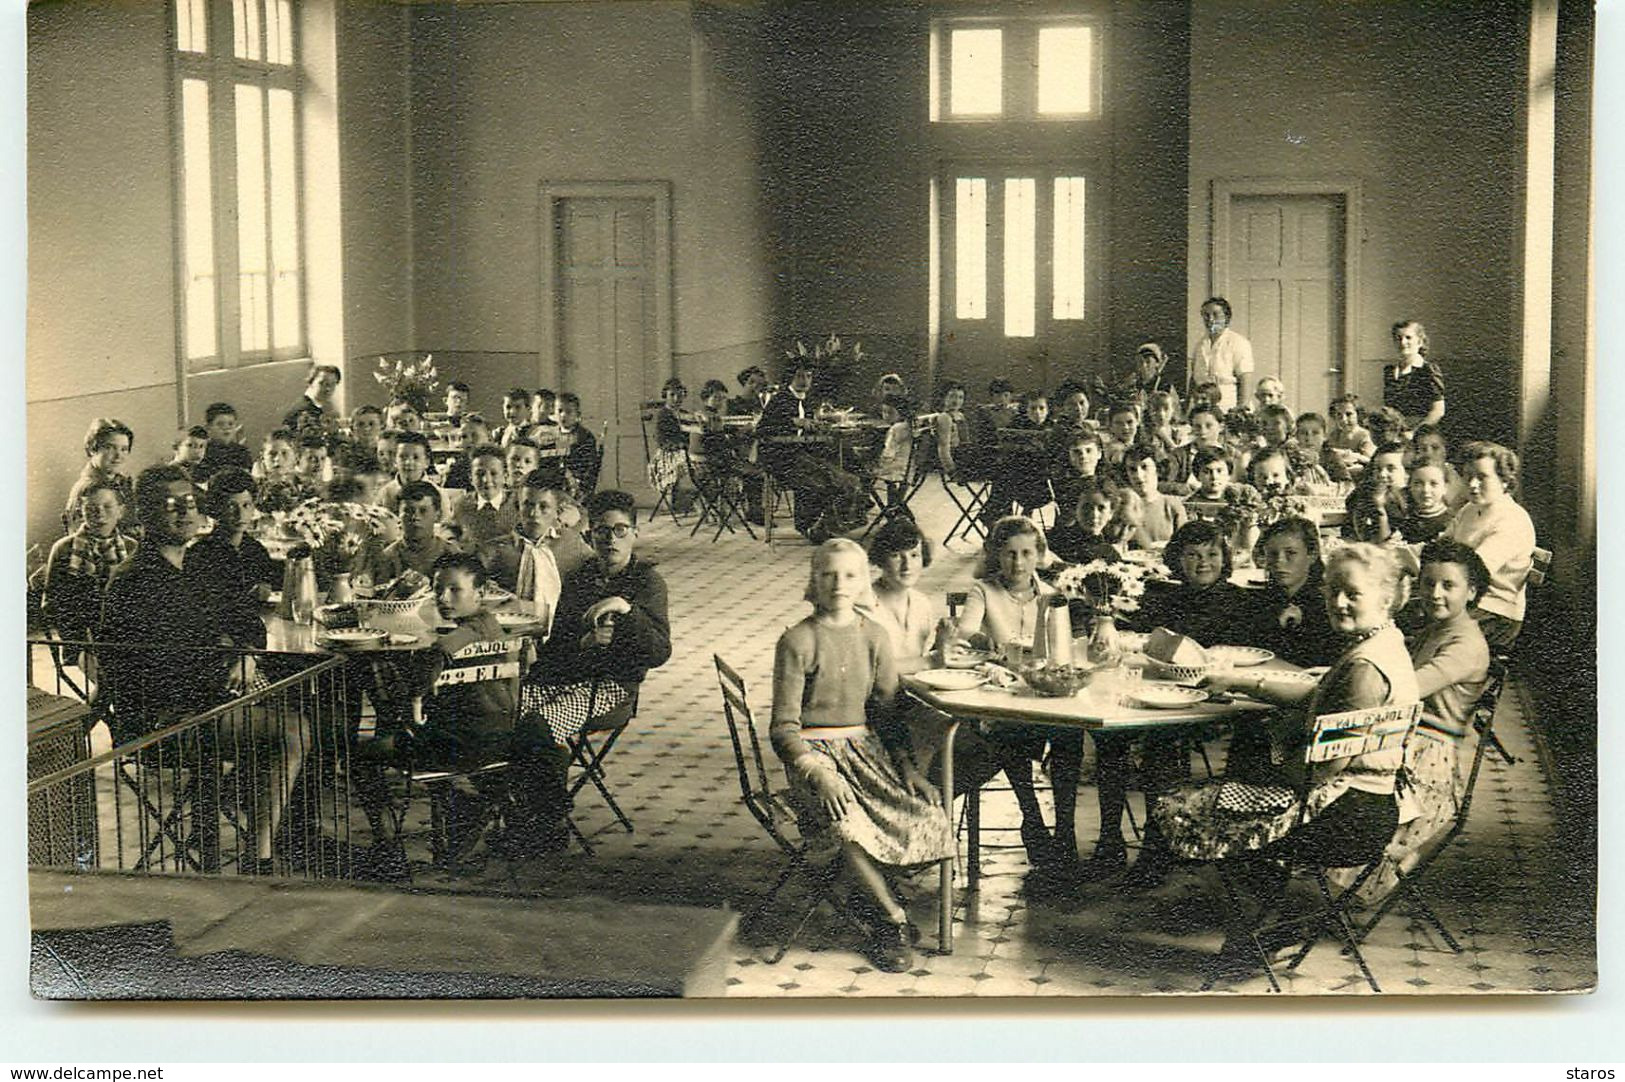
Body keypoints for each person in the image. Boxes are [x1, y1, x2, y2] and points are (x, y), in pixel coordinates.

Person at [1155, 543, 1421, 978]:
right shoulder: (1382, 644)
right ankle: (1265, 930)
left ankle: (1259, 935)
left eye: (1352, 593)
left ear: (1385, 598)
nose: (1338, 602)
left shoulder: (1366, 668)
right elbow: (1315, 695)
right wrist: (1243, 681)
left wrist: (1269, 767)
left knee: (1187, 807)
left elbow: (1326, 766)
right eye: (1333, 590)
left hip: (1344, 814)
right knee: (1232, 782)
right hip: (1366, 802)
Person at [99, 465, 308, 874]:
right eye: (171, 506)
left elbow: (246, 621)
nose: (184, 513)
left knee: (308, 710)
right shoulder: (132, 579)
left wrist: (245, 653)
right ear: (144, 515)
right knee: (292, 730)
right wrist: (218, 668)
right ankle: (260, 858)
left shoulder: (196, 567)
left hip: (206, 703)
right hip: (161, 719)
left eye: (190, 503)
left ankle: (276, 833)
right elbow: (141, 671)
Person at [772, 538, 952, 973]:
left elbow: (886, 713)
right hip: (815, 759)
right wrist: (816, 773)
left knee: (926, 814)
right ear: (814, 580)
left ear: (862, 582)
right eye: (828, 574)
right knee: (846, 825)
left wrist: (908, 768)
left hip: (865, 751)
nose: (839, 584)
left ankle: (870, 890)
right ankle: (891, 920)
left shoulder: (874, 636)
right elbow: (782, 728)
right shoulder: (798, 640)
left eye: (849, 575)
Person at [513, 490, 671, 854]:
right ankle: (523, 811)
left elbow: (660, 652)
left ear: (635, 534)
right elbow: (559, 644)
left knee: (539, 725)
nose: (611, 540)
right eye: (602, 531)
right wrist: (583, 643)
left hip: (612, 688)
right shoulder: (581, 576)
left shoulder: (647, 582)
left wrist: (627, 611)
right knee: (507, 711)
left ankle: (548, 822)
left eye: (620, 531)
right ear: (589, 536)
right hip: (568, 678)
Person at [949, 516, 1084, 882]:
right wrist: (980, 641)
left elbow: (1068, 644)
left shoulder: (1054, 593)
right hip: (1006, 694)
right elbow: (965, 634)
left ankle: (1066, 831)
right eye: (1009, 554)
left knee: (1070, 737)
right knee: (1011, 735)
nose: (1018, 563)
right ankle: (1032, 818)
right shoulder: (983, 590)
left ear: (1039, 555)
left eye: (1026, 553)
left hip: (1048, 693)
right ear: (997, 555)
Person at [1358, 539, 1492, 902]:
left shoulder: (1466, 643)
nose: (1435, 593)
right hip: (1408, 738)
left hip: (1428, 758)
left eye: (1448, 585)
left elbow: (1406, 688)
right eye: (1428, 583)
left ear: (1471, 591)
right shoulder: (1440, 627)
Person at [756, 362, 867, 540]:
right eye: (800, 376)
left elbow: (806, 430)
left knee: (848, 480)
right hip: (779, 459)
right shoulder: (779, 400)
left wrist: (818, 427)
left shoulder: (807, 400)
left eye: (808, 376)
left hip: (801, 455)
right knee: (821, 482)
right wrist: (792, 422)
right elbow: (762, 430)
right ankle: (812, 527)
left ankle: (827, 526)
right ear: (791, 378)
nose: (805, 380)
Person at [1445, 441, 1537, 648]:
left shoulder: (1512, 520)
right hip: (1462, 598)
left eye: (1482, 477)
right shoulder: (1470, 509)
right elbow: (1441, 546)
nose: (1472, 484)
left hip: (1494, 612)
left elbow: (1476, 571)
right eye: (1468, 477)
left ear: (1504, 480)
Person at [43, 479, 136, 654]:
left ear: (121, 511)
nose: (100, 515)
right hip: (80, 641)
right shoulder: (63, 549)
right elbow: (51, 604)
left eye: (107, 507)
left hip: (125, 640)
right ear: (81, 512)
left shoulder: (132, 548)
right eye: (91, 508)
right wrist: (81, 640)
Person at [187, 468, 279, 641]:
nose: (240, 514)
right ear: (215, 508)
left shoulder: (256, 550)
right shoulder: (199, 554)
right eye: (231, 506)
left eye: (246, 505)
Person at [479, 471, 568, 636]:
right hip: (506, 635)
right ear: (518, 506)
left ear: (558, 510)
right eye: (528, 505)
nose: (534, 514)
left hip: (558, 640)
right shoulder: (495, 548)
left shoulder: (571, 545)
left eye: (544, 506)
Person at [1243, 517, 1337, 668]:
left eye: (1291, 553)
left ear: (1311, 555)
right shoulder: (1261, 600)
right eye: (1272, 554)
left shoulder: (1328, 602)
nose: (1279, 561)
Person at [374, 480, 461, 582]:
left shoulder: (452, 554)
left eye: (423, 511)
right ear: (398, 514)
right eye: (408, 511)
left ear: (437, 514)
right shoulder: (387, 558)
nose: (415, 517)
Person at [64, 418, 134, 531]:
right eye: (110, 448)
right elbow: (76, 536)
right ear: (92, 449)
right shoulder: (85, 489)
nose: (118, 456)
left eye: (124, 449)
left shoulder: (123, 481)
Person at [1046, 478, 1129, 565]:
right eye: (1086, 507)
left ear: (1111, 513)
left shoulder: (1111, 543)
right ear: (1075, 509)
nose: (1094, 515)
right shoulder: (1057, 542)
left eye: (1101, 508)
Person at [1191, 297, 1254, 410]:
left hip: (1228, 404)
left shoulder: (1238, 343)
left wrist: (1240, 409)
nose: (1210, 319)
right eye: (1206, 315)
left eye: (1215, 315)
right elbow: (1193, 380)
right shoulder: (1200, 345)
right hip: (1202, 405)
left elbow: (1245, 379)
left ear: (1226, 317)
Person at [449, 444, 518, 547]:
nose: (486, 480)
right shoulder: (461, 504)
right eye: (479, 474)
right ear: (471, 478)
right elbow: (450, 531)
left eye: (494, 473)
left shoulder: (517, 503)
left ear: (505, 476)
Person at [1385, 319, 1446, 429]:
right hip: (1396, 432)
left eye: (1408, 338)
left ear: (1420, 342)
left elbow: (1438, 411)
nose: (1403, 342)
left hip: (1423, 431)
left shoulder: (1428, 370)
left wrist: (1415, 432)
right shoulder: (1390, 371)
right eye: (1398, 338)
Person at [1122, 445, 1187, 546]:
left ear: (1158, 469)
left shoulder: (1172, 506)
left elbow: (1184, 547)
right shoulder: (1122, 507)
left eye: (1144, 467)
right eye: (1132, 469)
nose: (1138, 475)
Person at [1346, 442, 1409, 543]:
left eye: (1390, 468)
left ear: (1407, 472)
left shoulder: (1415, 499)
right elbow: (1370, 538)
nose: (1382, 474)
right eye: (1378, 469)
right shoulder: (1366, 496)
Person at [253, 428, 312, 513]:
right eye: (272, 454)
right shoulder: (254, 491)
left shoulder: (307, 489)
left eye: (284, 453)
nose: (277, 459)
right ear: (262, 457)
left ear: (296, 456)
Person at [1396, 461, 1455, 544]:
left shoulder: (1452, 522)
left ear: (1445, 487)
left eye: (1433, 484)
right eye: (1418, 483)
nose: (1425, 490)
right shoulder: (1404, 519)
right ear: (1410, 486)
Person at [557, 392, 601, 497]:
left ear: (577, 415)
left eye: (568, 412)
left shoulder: (584, 437)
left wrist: (576, 480)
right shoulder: (550, 434)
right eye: (559, 411)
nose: (563, 415)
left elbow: (589, 466)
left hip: (577, 485)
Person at [284, 363, 341, 433]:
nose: (328, 389)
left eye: (332, 384)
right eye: (323, 383)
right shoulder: (304, 410)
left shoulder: (318, 406)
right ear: (310, 383)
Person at [1326, 393, 1376, 470]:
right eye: (1339, 415)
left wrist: (1349, 455)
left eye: (1349, 414)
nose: (1343, 419)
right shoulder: (1334, 435)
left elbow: (1370, 461)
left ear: (1358, 415)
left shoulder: (1364, 436)